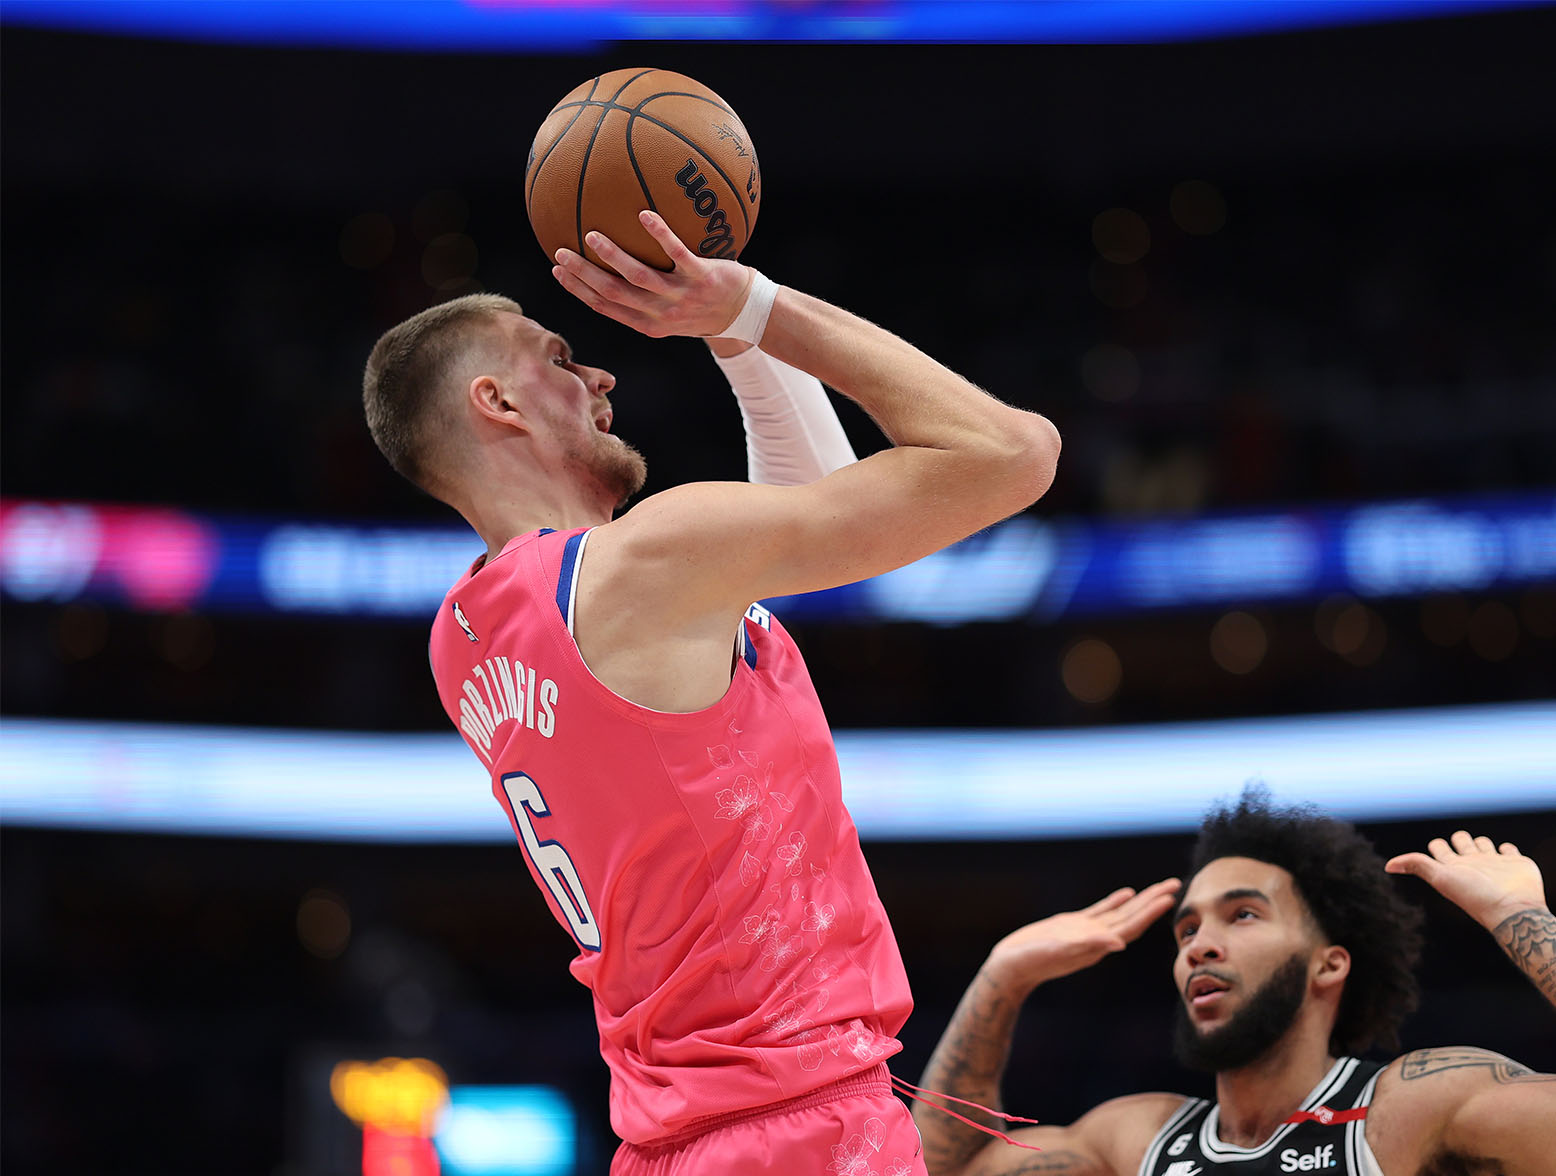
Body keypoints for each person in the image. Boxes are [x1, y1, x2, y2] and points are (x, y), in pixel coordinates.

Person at [360, 210, 1061, 1175]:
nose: (599, 375)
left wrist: (735, 332)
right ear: (499, 403)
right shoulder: (642, 562)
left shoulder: (465, 633)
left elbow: (805, 518)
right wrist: (756, 307)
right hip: (797, 1122)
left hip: (676, 1136)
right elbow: (1016, 455)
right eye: (560, 359)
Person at [915, 789, 1556, 1176]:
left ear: (1328, 965)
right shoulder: (1138, 1140)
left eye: (1243, 914)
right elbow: (936, 1169)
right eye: (1187, 929)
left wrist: (1522, 918)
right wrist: (1000, 978)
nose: (1200, 945)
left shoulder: (1407, 1111)